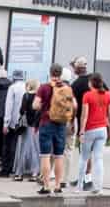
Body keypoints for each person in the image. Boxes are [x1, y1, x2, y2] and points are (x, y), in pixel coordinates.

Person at [34, 63, 75, 196]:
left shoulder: (44, 88)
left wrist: (41, 106)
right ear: (60, 74)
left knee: (45, 155)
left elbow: (35, 105)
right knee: (59, 155)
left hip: (46, 123)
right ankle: (58, 185)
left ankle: (46, 186)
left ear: (50, 73)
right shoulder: (66, 88)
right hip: (61, 125)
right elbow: (74, 105)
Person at [76, 71, 110, 192]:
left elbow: (84, 115)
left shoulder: (87, 95)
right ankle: (99, 187)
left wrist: (81, 131)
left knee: (84, 158)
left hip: (90, 130)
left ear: (91, 83)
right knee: (99, 158)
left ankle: (79, 186)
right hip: (102, 130)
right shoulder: (108, 95)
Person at [0, 71, 28, 178]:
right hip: (23, 122)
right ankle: (17, 169)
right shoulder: (26, 87)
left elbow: (9, 106)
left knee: (8, 146)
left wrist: (6, 123)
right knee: (20, 146)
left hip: (12, 123)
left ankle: (6, 169)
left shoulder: (12, 88)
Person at [13, 77, 43, 182]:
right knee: (35, 149)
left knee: (23, 149)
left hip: (26, 125)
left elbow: (21, 111)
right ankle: (35, 173)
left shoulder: (25, 96)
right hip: (36, 126)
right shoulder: (39, 97)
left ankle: (19, 173)